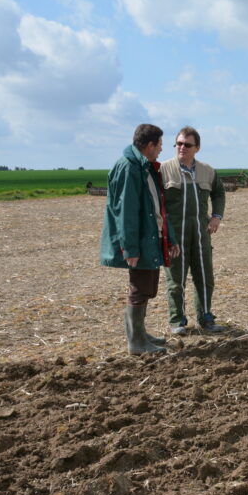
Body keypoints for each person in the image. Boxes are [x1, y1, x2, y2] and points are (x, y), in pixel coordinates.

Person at [100, 123, 179, 354]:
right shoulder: (129, 168)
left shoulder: (144, 167)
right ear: (149, 145)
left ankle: (141, 334)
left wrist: (169, 237)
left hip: (148, 236)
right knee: (139, 286)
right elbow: (127, 212)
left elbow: (158, 207)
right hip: (139, 240)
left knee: (145, 286)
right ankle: (136, 342)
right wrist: (130, 248)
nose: (162, 150)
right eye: (160, 145)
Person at [160, 126, 227, 334]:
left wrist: (216, 216)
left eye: (187, 145)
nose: (182, 148)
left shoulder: (207, 171)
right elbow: (155, 203)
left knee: (205, 278)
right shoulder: (163, 170)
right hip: (175, 237)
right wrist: (165, 235)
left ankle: (206, 318)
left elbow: (219, 193)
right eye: (178, 144)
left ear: (197, 148)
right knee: (175, 282)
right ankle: (178, 321)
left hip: (200, 236)